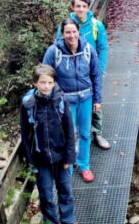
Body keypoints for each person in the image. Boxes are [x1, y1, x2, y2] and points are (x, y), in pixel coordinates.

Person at [19, 64, 81, 224]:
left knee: (65, 190)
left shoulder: (61, 101)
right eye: (42, 83)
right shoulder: (28, 104)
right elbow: (26, 135)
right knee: (46, 194)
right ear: (35, 83)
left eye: (49, 83)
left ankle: (68, 220)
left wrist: (70, 157)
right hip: (40, 159)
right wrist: (31, 162)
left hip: (61, 156)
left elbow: (70, 130)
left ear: (54, 83)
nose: (46, 86)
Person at [42, 18, 102, 182]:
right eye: (67, 32)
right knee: (67, 135)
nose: (71, 35)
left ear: (78, 32)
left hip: (86, 98)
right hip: (65, 100)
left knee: (84, 134)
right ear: (62, 34)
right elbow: (45, 75)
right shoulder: (54, 51)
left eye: (74, 31)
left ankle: (84, 165)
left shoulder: (88, 49)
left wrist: (97, 99)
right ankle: (67, 164)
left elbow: (96, 75)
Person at [55, 0, 110, 150]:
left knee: (96, 101)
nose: (81, 9)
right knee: (76, 104)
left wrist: (99, 69)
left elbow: (103, 47)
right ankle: (78, 136)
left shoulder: (95, 25)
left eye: (84, 6)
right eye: (78, 6)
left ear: (88, 7)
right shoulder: (66, 26)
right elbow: (57, 46)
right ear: (72, 7)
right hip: (71, 73)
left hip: (91, 70)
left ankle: (97, 133)